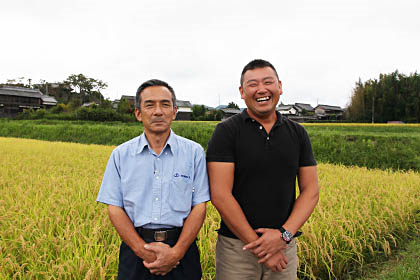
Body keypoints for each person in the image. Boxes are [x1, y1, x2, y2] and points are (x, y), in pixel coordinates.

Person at [207, 59, 319, 279]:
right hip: (237, 250)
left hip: (284, 247)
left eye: (268, 82)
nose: (261, 90)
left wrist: (283, 236)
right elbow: (220, 194)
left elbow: (311, 190)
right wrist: (260, 246)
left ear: (279, 86)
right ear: (242, 92)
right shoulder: (226, 132)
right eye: (252, 84)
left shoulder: (297, 134)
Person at [97, 79, 210, 280]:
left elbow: (199, 205)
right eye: (150, 105)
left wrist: (177, 252)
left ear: (174, 112)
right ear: (138, 114)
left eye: (165, 104)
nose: (158, 111)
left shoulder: (194, 153)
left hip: (182, 250)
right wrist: (142, 250)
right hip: (135, 253)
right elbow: (114, 207)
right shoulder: (121, 155)